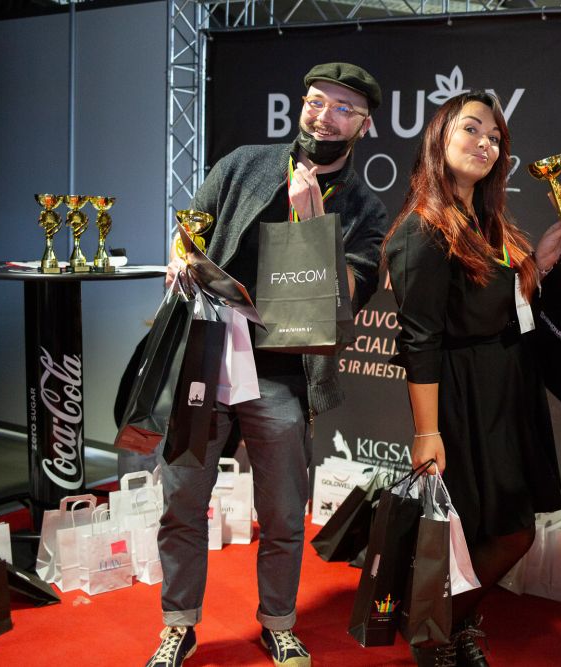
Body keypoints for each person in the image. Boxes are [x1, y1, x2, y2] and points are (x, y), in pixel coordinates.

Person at [145, 63, 389, 667]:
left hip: (283, 375)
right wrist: (181, 260)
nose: (324, 116)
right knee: (182, 503)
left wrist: (313, 225)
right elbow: (189, 231)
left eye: (343, 109)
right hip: (205, 357)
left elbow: (346, 301)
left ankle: (278, 622)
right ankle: (178, 625)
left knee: (282, 513)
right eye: (316, 102)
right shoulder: (244, 165)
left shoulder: (366, 208)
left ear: (364, 125)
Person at [383, 90, 561, 667]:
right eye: (471, 129)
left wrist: (538, 264)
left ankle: (452, 625)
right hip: (462, 400)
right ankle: (433, 634)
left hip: (505, 395)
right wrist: (426, 433)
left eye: (495, 138)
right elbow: (420, 341)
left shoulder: (488, 223)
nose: (485, 143)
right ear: (439, 137)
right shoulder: (423, 230)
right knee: (491, 533)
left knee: (501, 531)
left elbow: (497, 303)